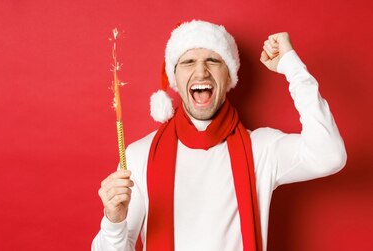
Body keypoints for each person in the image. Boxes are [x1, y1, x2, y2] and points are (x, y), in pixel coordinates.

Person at [91, 20, 347, 251]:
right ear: (174, 78)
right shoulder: (139, 155)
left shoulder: (262, 149)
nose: (201, 72)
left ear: (229, 76)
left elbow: (330, 155)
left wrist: (292, 66)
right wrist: (114, 221)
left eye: (213, 61)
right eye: (188, 62)